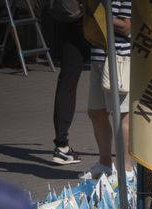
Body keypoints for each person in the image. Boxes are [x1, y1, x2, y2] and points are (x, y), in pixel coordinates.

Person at [80, 0, 133, 179]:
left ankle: (126, 169)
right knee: (95, 111)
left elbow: (127, 26)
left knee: (121, 115)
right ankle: (105, 163)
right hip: (98, 56)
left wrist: (99, 15)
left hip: (118, 58)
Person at [50, 12, 89, 165]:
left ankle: (61, 146)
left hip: (69, 19)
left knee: (67, 82)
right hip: (93, 21)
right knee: (114, 80)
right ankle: (123, 150)